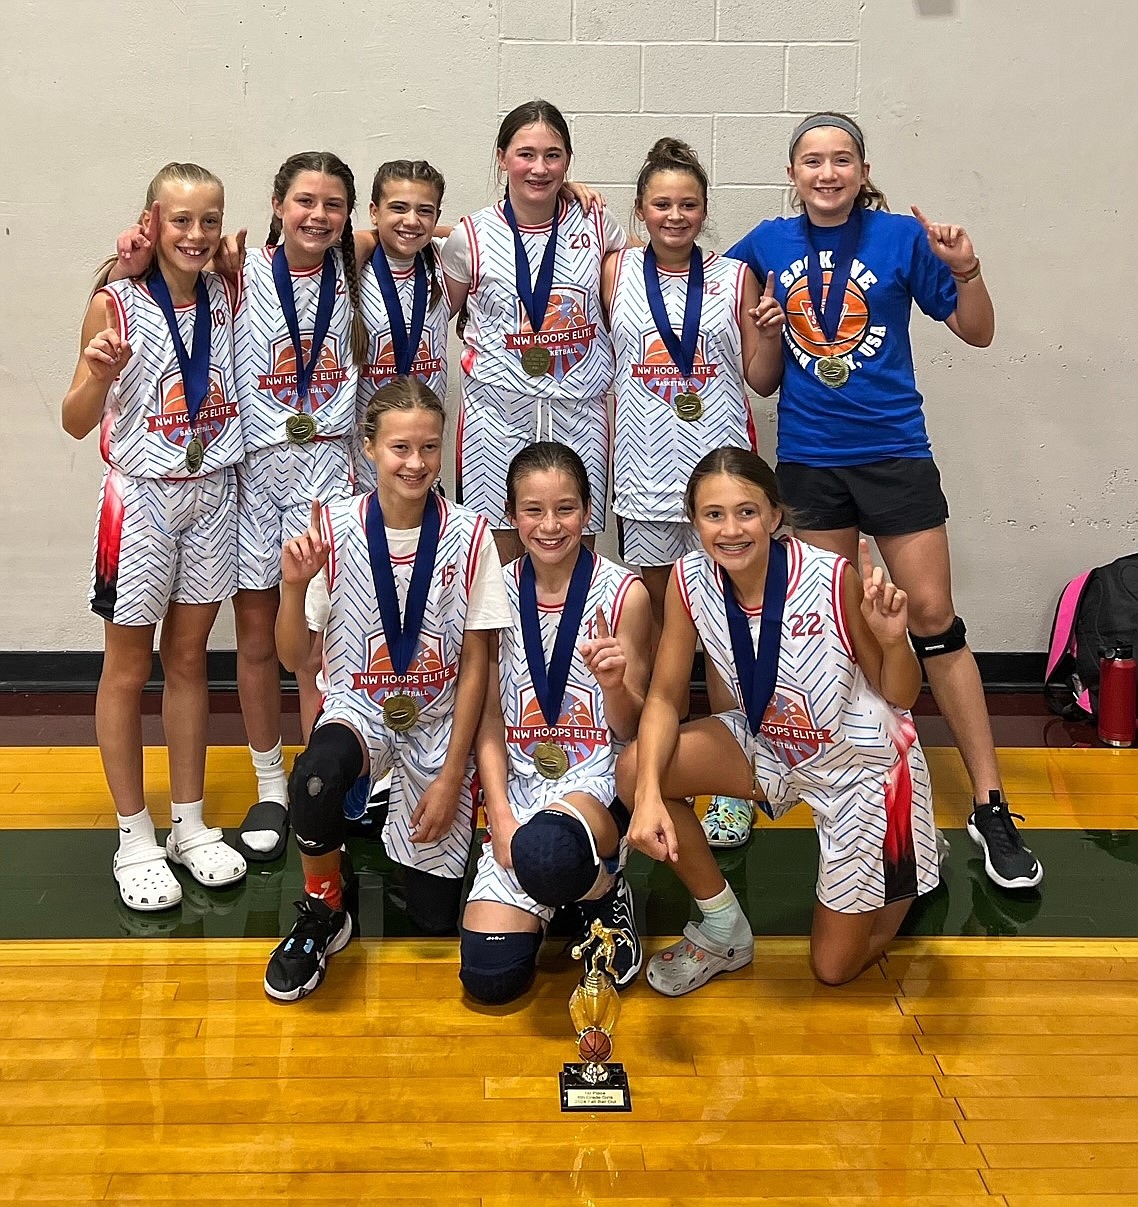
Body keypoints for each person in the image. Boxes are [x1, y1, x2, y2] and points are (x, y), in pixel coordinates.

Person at [722, 112, 1040, 891]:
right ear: (792, 173)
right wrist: (761, 328)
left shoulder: (901, 238)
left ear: (863, 169)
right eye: (811, 161)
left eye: (841, 160)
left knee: (933, 621)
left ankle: (990, 802)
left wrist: (967, 270)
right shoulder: (765, 244)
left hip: (895, 454)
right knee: (839, 629)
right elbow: (762, 378)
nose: (826, 173)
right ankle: (854, 782)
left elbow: (979, 333)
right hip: (808, 462)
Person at [619, 448, 941, 993]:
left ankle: (909, 869)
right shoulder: (687, 580)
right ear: (694, 520)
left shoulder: (833, 579)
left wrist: (894, 641)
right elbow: (666, 698)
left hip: (862, 770)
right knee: (634, 772)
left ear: (773, 517)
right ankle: (724, 927)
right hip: (770, 745)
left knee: (833, 969)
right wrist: (648, 793)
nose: (730, 529)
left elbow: (899, 695)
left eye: (746, 512)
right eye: (713, 514)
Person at [263, 376, 511, 1002]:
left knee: (431, 918)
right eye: (400, 448)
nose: (417, 462)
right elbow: (294, 655)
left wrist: (454, 777)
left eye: (429, 447)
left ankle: (388, 815)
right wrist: (293, 587)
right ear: (369, 447)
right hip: (358, 709)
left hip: (436, 721)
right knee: (314, 781)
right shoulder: (332, 529)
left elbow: (479, 663)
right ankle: (325, 910)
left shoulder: (473, 534)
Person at [62, 162, 246, 912]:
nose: (197, 235)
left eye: (209, 220)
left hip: (212, 492)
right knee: (127, 668)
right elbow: (75, 420)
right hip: (138, 502)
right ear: (151, 222)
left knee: (191, 658)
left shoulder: (230, 292)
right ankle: (132, 833)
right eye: (181, 220)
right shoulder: (116, 302)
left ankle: (190, 823)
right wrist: (100, 374)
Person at [460, 442, 652, 1005]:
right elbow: (488, 718)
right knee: (491, 978)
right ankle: (557, 891)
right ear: (512, 515)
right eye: (533, 510)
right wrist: (498, 815)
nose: (550, 525)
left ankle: (604, 889)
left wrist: (616, 685)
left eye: (565, 508)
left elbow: (633, 728)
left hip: (594, 783)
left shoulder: (625, 593)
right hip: (520, 788)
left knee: (548, 851)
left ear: (588, 512)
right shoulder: (489, 588)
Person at [227, 151, 367, 864]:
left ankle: (325, 775)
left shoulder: (356, 265)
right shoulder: (237, 270)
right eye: (305, 200)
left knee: (322, 647)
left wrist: (578, 193)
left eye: (333, 204)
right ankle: (270, 783)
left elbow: (426, 233)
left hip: (326, 480)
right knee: (257, 639)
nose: (318, 215)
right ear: (278, 202)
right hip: (256, 475)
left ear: (348, 215)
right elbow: (153, 265)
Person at [604, 136, 784, 630]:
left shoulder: (736, 276)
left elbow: (762, 382)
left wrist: (771, 336)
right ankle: (670, 708)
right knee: (664, 618)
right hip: (645, 472)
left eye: (689, 204)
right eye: (661, 204)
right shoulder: (614, 271)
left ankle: (732, 707)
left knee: (734, 612)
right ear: (640, 210)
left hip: (721, 465)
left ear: (704, 211)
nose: (675, 216)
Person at [441, 99, 628, 563]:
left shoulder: (597, 222)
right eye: (526, 154)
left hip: (579, 414)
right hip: (497, 418)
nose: (540, 168)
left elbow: (648, 281)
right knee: (499, 560)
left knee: (572, 547)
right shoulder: (472, 235)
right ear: (502, 157)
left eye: (553, 155)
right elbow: (439, 309)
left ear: (567, 160)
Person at [352, 159, 453, 494]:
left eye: (425, 210)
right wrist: (366, 239)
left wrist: (564, 192)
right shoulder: (352, 267)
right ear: (374, 211)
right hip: (363, 458)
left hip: (421, 457)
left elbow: (493, 233)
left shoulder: (444, 261)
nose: (412, 221)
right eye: (398, 208)